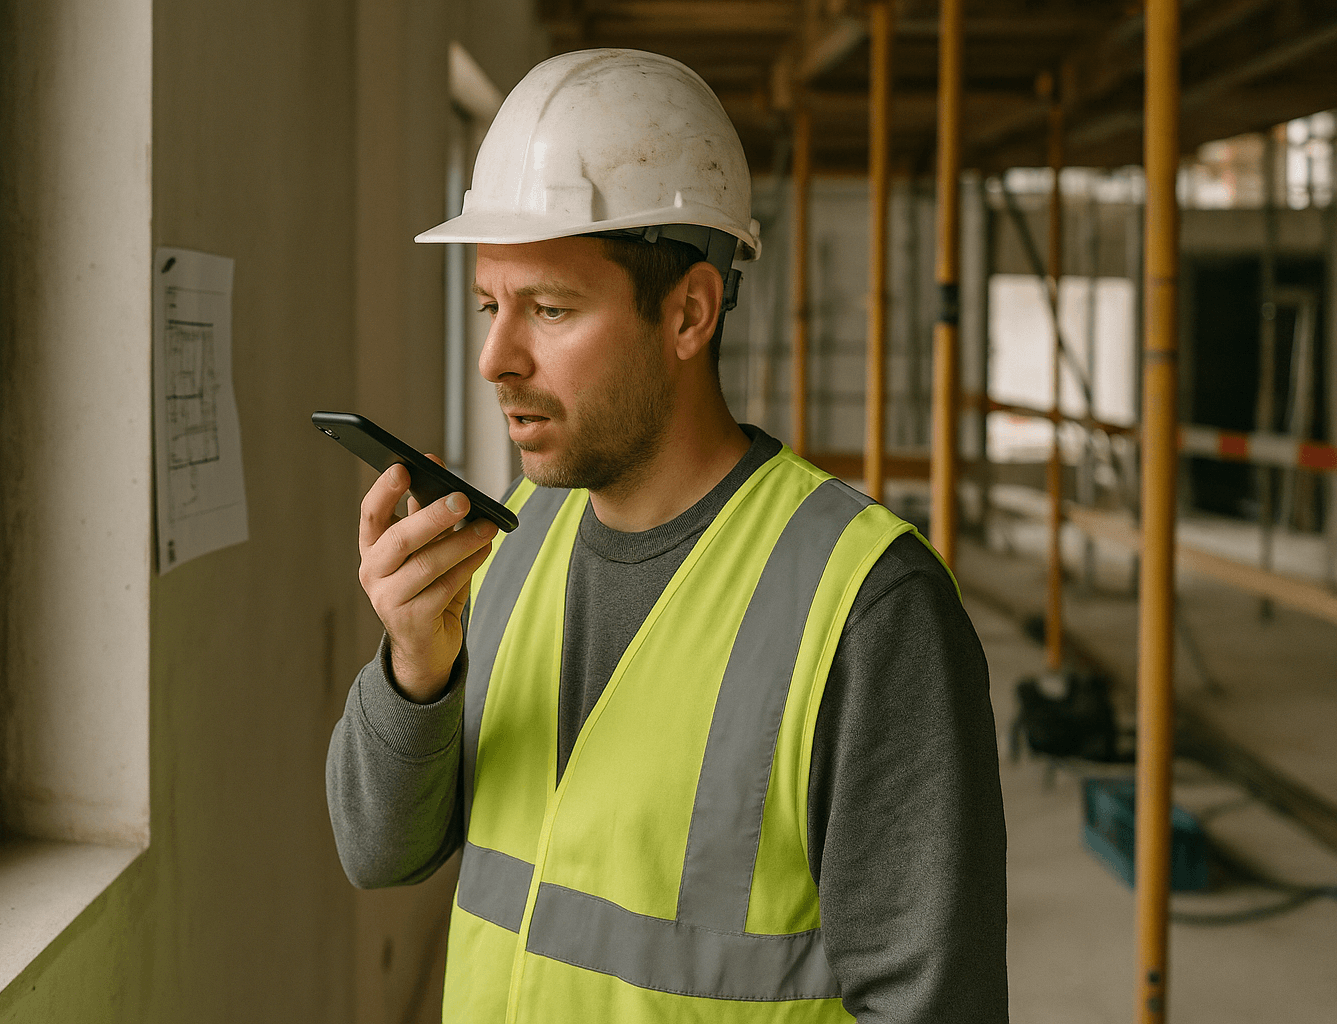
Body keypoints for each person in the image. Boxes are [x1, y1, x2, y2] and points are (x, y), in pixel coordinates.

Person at [327, 48, 1006, 1023]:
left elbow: (936, 1005)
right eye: (488, 305)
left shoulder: (865, 606)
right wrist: (413, 673)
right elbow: (378, 850)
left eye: (548, 310)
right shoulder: (512, 548)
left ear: (691, 311)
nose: (494, 358)